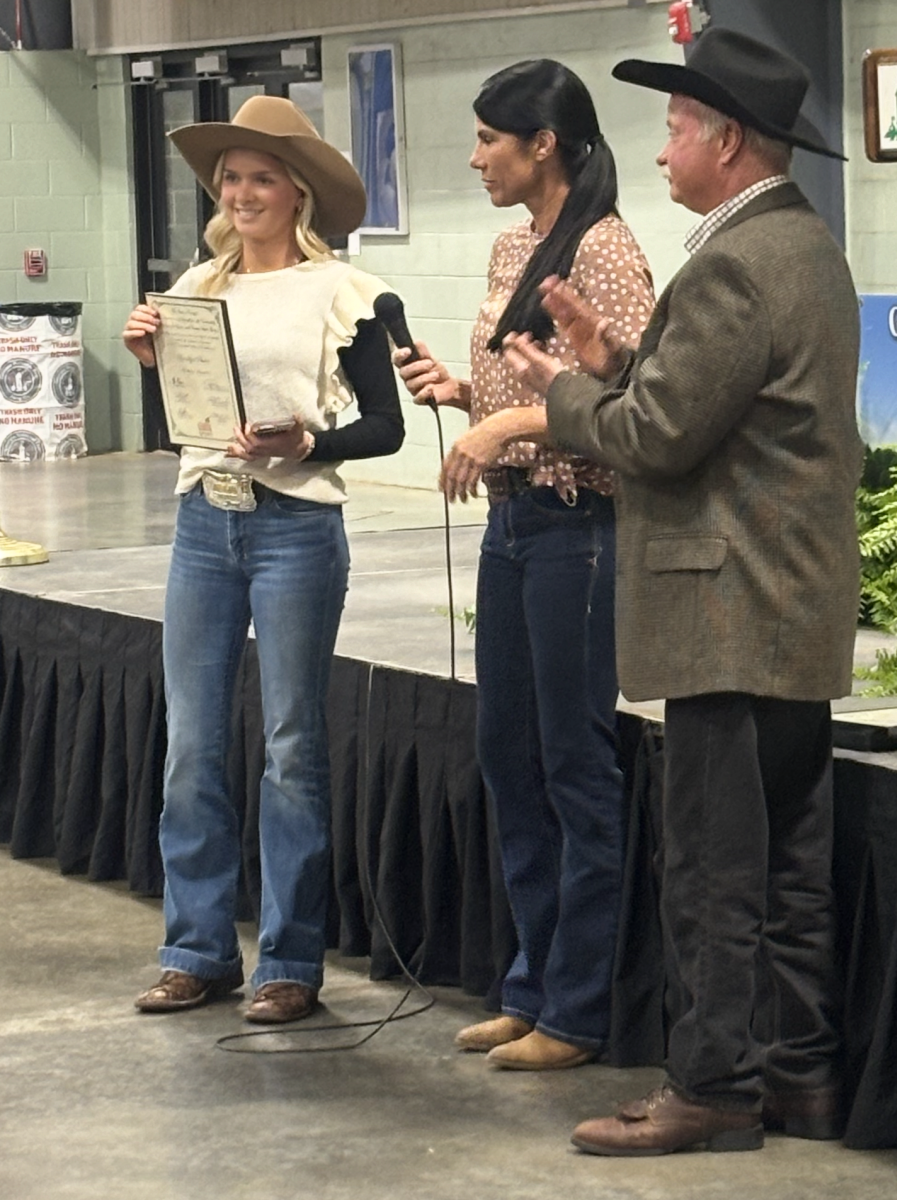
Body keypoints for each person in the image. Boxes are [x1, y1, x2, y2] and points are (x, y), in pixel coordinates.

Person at [503, 28, 862, 1151]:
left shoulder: (733, 260)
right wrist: (613, 360)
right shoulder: (801, 245)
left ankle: (708, 1090)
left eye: (672, 128)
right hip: (788, 604)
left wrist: (566, 397)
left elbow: (658, 439)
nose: (657, 151)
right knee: (789, 862)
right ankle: (797, 1078)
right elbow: (725, 409)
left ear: (727, 139)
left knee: (711, 865)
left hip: (724, 607)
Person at [394, 59, 654, 1069]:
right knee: (507, 756)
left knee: (574, 767)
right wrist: (463, 392)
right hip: (510, 527)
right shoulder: (513, 243)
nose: (473, 160)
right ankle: (528, 984)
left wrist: (504, 419)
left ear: (540, 143)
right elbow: (520, 394)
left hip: (577, 530)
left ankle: (578, 1011)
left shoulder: (608, 252)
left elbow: (630, 418)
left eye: (486, 142)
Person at [123, 96, 405, 1024]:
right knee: (191, 743)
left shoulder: (348, 295)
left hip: (295, 528)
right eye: (230, 179)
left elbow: (385, 426)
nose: (242, 193)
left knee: (291, 745)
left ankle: (289, 959)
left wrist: (308, 441)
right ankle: (195, 948)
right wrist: (155, 364)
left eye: (260, 178)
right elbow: (195, 429)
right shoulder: (194, 290)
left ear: (299, 194)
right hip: (205, 520)